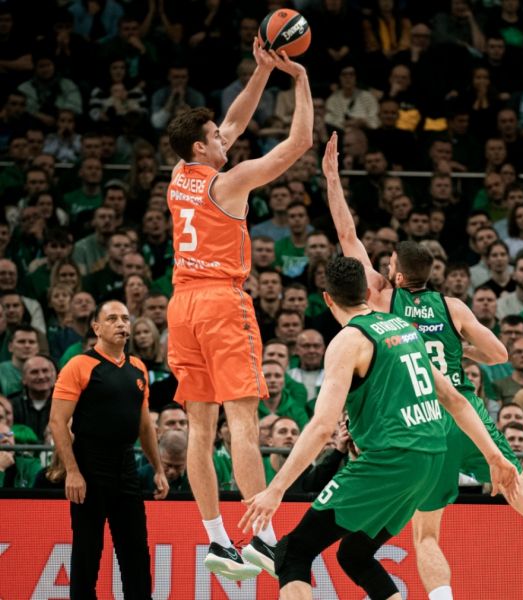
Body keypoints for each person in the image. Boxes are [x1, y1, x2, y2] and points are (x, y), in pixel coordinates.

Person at [318, 133, 523, 600]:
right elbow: (500, 354)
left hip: (423, 423)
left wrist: (333, 179)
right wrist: (459, 350)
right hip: (469, 417)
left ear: (395, 274)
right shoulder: (452, 307)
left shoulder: (381, 298)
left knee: (427, 535)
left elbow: (347, 235)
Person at [238, 257, 519, 600]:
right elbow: (457, 400)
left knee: (293, 552)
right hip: (430, 463)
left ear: (327, 299)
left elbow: (323, 425)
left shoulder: (348, 341)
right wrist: (494, 455)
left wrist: (276, 490)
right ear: (367, 293)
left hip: (392, 461)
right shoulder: (403, 328)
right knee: (354, 555)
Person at [163, 43, 313, 579]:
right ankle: (266, 540)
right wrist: (297, 78)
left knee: (201, 431)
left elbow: (232, 118)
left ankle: (218, 541)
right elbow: (299, 143)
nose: (225, 137)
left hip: (180, 306)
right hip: (221, 304)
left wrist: (261, 70)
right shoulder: (230, 183)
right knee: (243, 425)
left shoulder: (181, 173)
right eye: (217, 139)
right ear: (203, 149)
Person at [48, 300, 168, 598]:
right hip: (89, 466)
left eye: (125, 319)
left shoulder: (138, 367)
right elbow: (57, 421)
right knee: (87, 554)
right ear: (96, 328)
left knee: (136, 554)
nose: (121, 324)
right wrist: (73, 472)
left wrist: (159, 469)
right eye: (112, 319)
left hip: (126, 466)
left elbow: (144, 427)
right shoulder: (79, 365)